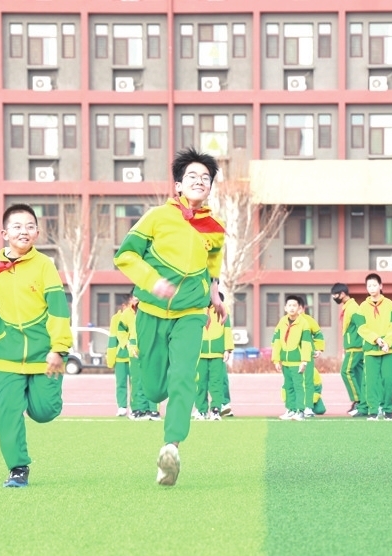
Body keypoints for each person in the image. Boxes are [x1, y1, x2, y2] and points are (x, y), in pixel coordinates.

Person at [114, 147, 226, 486]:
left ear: (210, 187)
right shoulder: (156, 217)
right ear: (178, 185)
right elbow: (125, 256)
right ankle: (161, 406)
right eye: (192, 176)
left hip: (191, 313)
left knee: (183, 376)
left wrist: (214, 294)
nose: (199, 181)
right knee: (152, 387)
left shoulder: (214, 228)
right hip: (150, 311)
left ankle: (171, 448)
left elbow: (212, 266)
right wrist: (152, 282)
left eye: (205, 178)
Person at [0, 203, 73, 488]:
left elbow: (58, 309)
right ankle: (18, 468)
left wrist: (59, 348)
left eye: (30, 226)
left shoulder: (45, 265)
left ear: (37, 232)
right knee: (6, 413)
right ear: (5, 233)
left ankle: (35, 399)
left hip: (44, 353)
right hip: (7, 354)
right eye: (17, 226)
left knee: (45, 411)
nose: (24, 231)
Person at [356, 273, 392, 420]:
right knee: (371, 382)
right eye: (369, 286)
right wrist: (376, 339)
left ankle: (388, 410)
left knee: (389, 380)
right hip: (371, 350)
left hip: (388, 350)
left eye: (374, 285)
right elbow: (361, 328)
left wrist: (387, 342)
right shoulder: (362, 307)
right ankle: (373, 411)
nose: (372, 288)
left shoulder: (389, 304)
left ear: (381, 286)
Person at [120, 289, 161, 421]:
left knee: (152, 380)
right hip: (134, 351)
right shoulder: (127, 314)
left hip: (150, 349)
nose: (137, 299)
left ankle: (153, 410)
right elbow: (121, 330)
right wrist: (127, 344)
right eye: (135, 296)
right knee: (137, 381)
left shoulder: (153, 311)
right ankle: (139, 410)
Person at [271, 295, 313, 421]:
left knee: (298, 387)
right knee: (288, 386)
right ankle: (291, 410)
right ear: (285, 308)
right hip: (285, 362)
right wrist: (276, 360)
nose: (292, 308)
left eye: (294, 305)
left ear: (299, 308)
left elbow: (306, 343)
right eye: (289, 305)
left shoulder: (303, 323)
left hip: (297, 362)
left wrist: (304, 361)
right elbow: (276, 341)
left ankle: (300, 411)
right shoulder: (281, 322)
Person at [195, 292, 234, 420]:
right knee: (200, 383)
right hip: (200, 353)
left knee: (216, 383)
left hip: (217, 353)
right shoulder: (196, 307)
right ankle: (201, 410)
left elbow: (227, 328)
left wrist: (227, 349)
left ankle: (215, 409)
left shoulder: (222, 307)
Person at [331, 283, 367, 417]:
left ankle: (357, 400)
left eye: (335, 295)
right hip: (353, 347)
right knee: (359, 375)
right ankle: (364, 402)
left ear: (342, 294)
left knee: (345, 371)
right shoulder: (347, 307)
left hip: (355, 347)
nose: (334, 297)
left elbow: (362, 325)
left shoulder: (353, 308)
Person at [106, 295, 133, 417]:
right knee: (121, 383)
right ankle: (122, 407)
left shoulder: (135, 316)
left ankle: (135, 407)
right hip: (120, 357)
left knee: (135, 384)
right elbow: (112, 339)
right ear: (124, 306)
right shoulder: (116, 319)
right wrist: (110, 359)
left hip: (133, 356)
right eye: (130, 306)